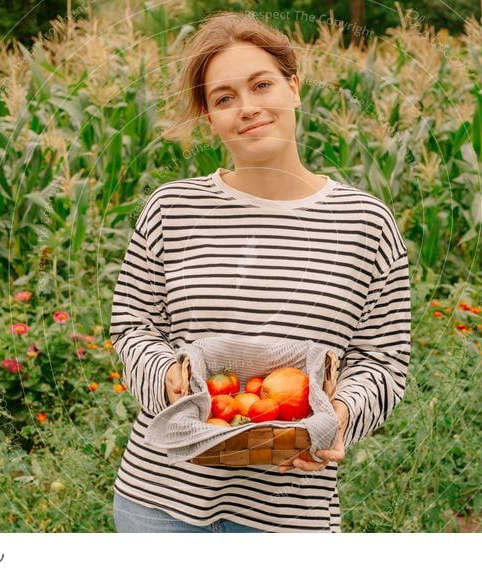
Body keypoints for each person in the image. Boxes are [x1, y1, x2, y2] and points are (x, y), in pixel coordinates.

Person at [109, 11, 411, 533]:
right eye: (224, 98)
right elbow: (132, 327)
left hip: (290, 515)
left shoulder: (366, 223)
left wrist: (336, 420)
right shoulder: (172, 208)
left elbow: (383, 362)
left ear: (294, 88)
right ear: (210, 119)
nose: (247, 108)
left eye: (262, 84)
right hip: (159, 504)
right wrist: (168, 380)